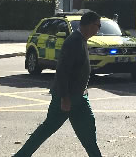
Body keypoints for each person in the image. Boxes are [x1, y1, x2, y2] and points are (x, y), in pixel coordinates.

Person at [14, 11, 103, 157]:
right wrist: (65, 97)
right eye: (97, 25)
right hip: (67, 97)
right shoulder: (73, 41)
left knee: (88, 131)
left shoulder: (81, 40)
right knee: (47, 129)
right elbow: (62, 71)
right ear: (89, 25)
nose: (99, 29)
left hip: (79, 98)